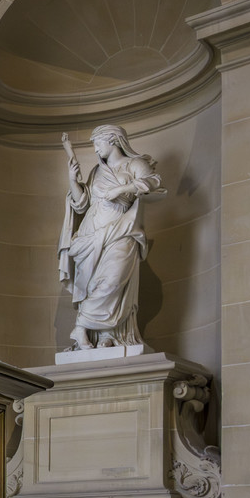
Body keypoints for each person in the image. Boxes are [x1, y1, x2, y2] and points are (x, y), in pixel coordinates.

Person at [58, 125, 164, 351]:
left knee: (114, 280)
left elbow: (153, 182)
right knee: (95, 284)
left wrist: (121, 190)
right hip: (91, 232)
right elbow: (82, 204)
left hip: (122, 229)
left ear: (113, 141)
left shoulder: (135, 164)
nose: (95, 150)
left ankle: (81, 325)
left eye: (98, 143)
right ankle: (106, 335)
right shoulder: (96, 171)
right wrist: (73, 180)